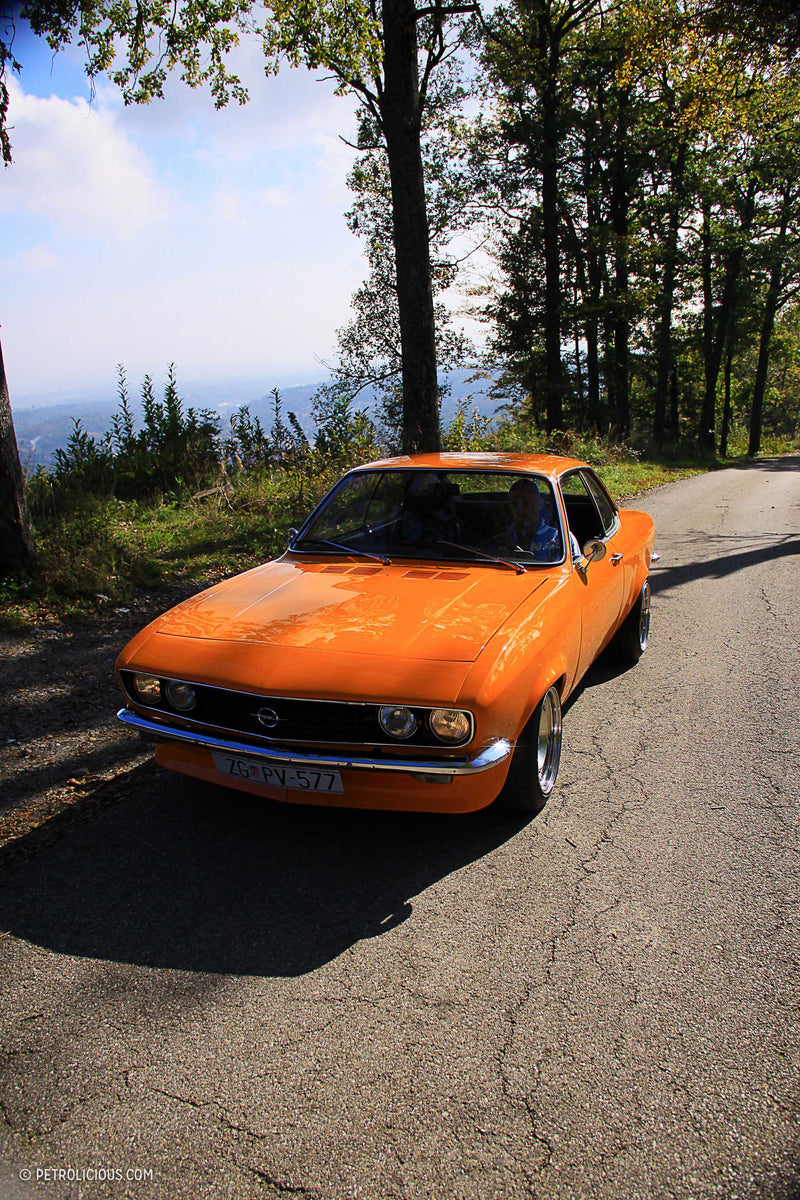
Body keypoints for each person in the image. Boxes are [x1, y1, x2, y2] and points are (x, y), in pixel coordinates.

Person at [496, 477, 569, 562]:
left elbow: (574, 568)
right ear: (510, 506)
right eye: (515, 504)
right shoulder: (501, 539)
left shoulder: (558, 538)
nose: (521, 510)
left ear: (540, 504)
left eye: (527, 503)